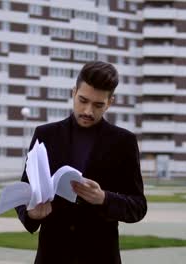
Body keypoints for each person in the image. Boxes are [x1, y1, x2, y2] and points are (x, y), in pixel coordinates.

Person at [16, 61, 147, 264]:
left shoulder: (124, 142)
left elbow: (138, 206)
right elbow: (25, 191)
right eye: (83, 100)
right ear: (73, 92)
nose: (88, 111)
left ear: (110, 102)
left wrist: (104, 198)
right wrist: (31, 214)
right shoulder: (45, 135)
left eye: (98, 105)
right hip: (52, 256)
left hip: (101, 256)